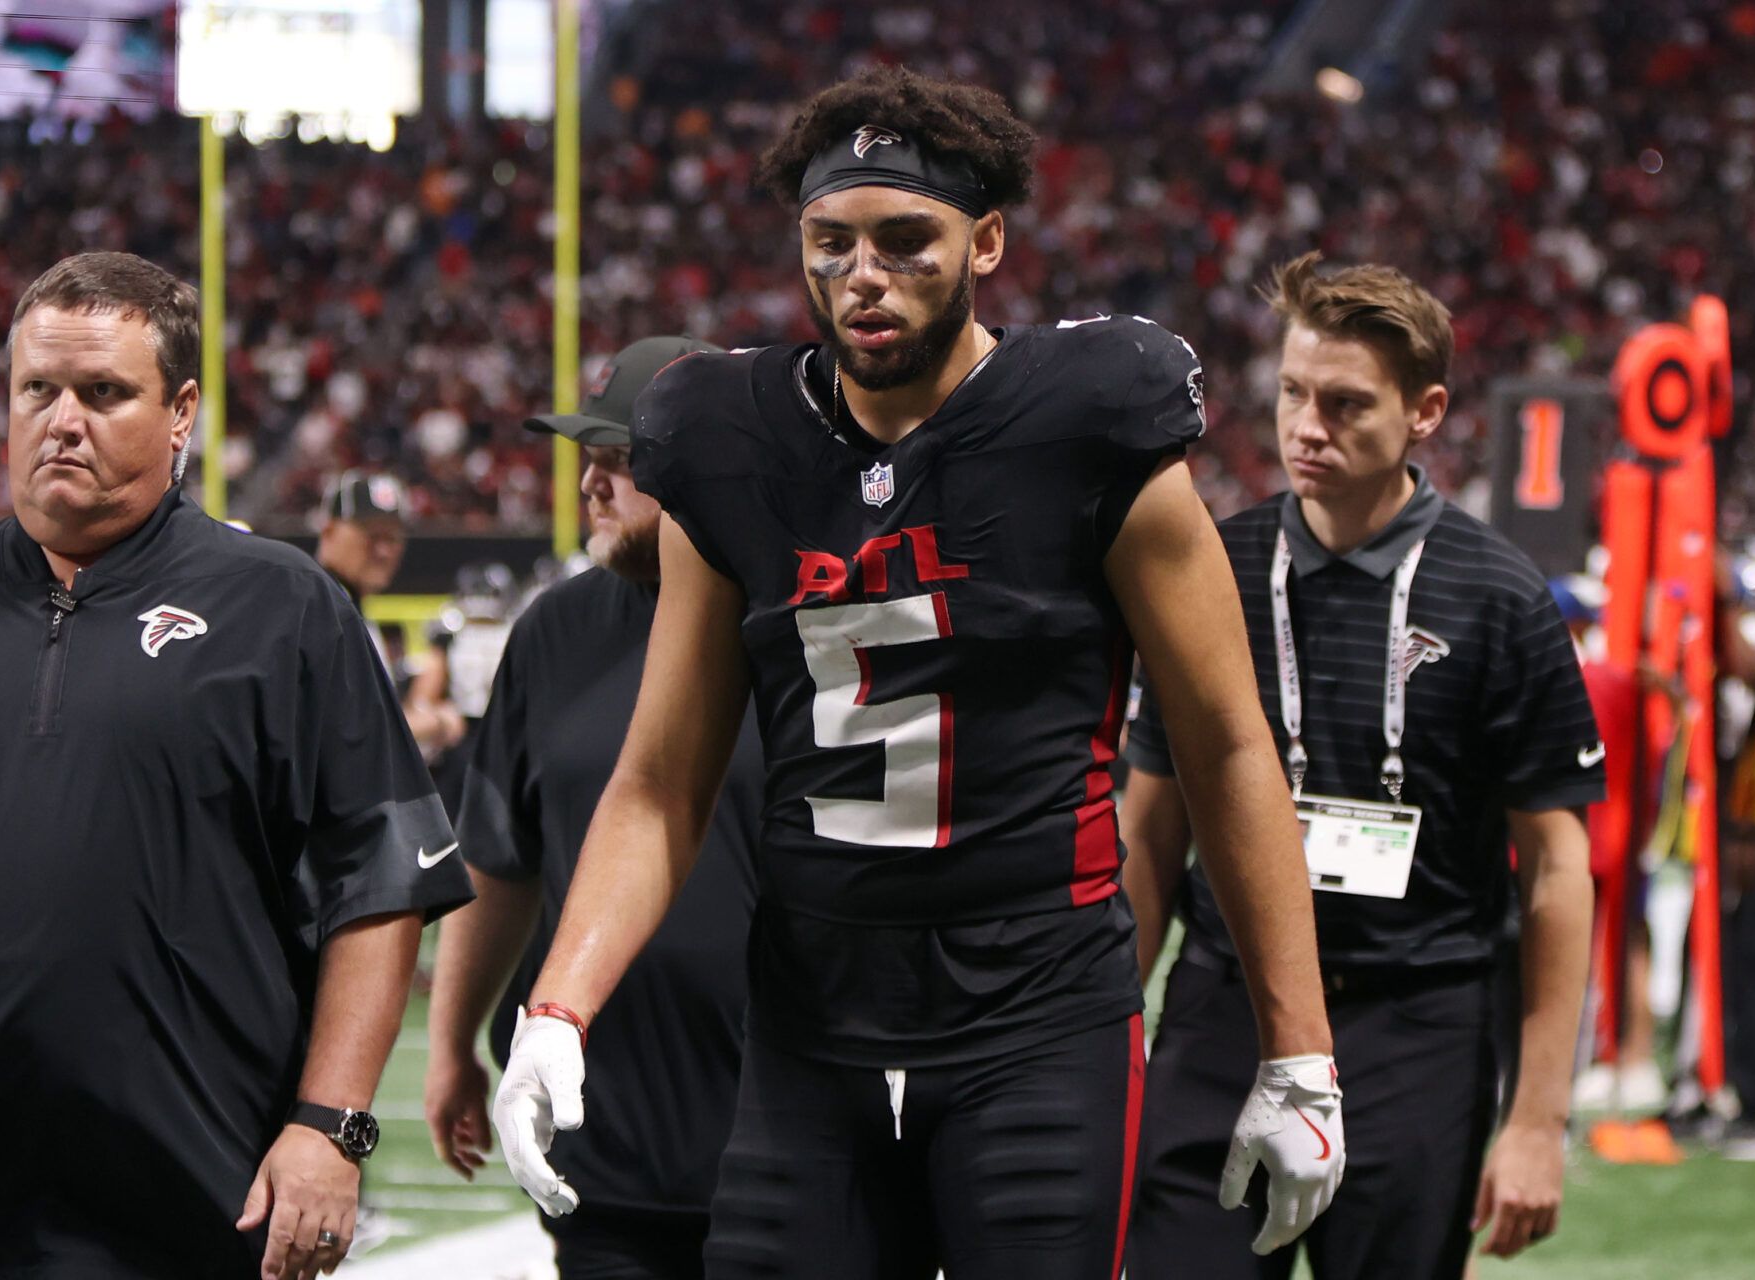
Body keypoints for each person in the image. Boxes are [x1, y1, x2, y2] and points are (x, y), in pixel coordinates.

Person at [490, 68, 1344, 1280]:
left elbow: (1226, 744)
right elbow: (663, 779)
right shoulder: (727, 440)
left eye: (906, 240)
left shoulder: (1090, 422)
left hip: (1035, 1019)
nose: (863, 276)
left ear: (987, 239)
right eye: (831, 242)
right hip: (809, 1022)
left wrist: (1297, 1047)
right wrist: (559, 1006)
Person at [0, 252, 474, 1280]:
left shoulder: (284, 606)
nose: (62, 419)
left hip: (185, 1198)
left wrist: (331, 1125)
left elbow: (380, 880)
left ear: (181, 412)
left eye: (104, 392)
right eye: (37, 389)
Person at [1120, 252, 1604, 1279]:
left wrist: (1537, 1117)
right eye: (1294, 393)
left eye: (1345, 404)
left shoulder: (1502, 598)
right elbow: (1150, 828)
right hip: (1224, 1009)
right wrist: (1097, 1048)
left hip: (1417, 1022)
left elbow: (1560, 870)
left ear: (1426, 410)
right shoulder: (1214, 568)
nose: (1307, 426)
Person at [424, 336, 763, 1278]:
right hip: (603, 1140)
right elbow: (500, 857)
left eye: (624, 461)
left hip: (783, 1142)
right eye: (589, 460)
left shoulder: (794, 629)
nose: (592, 485)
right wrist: (454, 1041)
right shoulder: (554, 632)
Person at [315, 471, 466, 768]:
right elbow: (342, 737)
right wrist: (437, 722)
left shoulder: (346, 604)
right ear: (329, 531)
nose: (384, 550)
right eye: (371, 535)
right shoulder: (319, 608)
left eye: (393, 536)